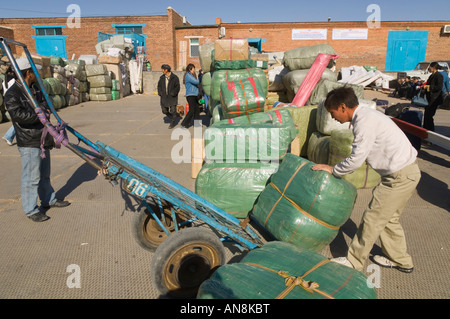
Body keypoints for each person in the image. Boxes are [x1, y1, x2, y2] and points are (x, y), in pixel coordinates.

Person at [312, 87, 421, 273]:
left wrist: (333, 169)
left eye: (333, 113)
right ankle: (400, 260)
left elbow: (356, 159)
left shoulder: (364, 122)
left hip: (399, 177)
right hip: (406, 172)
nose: (333, 118)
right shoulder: (367, 115)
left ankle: (354, 261)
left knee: (372, 218)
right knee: (388, 219)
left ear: (343, 107)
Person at [5, 57, 70, 222]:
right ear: (28, 73)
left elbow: (44, 106)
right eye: (35, 71)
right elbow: (18, 116)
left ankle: (49, 199)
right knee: (31, 177)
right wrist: (39, 114)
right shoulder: (13, 93)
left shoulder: (34, 89)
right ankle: (31, 210)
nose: (37, 74)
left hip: (42, 138)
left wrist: (46, 111)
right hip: (29, 141)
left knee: (44, 174)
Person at [157, 64, 180, 129]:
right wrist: (160, 93)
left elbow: (177, 87)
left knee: (173, 111)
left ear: (166, 70)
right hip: (164, 97)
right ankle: (172, 117)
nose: (162, 71)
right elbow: (159, 86)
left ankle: (172, 122)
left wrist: (174, 93)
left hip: (172, 97)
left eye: (163, 69)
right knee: (164, 110)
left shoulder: (175, 77)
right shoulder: (161, 78)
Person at [423, 62, 443, 131]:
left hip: (434, 99)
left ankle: (430, 131)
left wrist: (429, 87)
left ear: (433, 67)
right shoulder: (431, 75)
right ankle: (425, 130)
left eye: (430, 67)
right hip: (429, 98)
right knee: (426, 115)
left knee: (429, 116)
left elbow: (439, 87)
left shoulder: (439, 75)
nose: (429, 68)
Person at [180, 63, 201, 128]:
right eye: (193, 69)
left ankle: (197, 124)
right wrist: (201, 76)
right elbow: (196, 82)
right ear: (190, 69)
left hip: (195, 94)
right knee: (192, 110)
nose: (194, 71)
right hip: (190, 95)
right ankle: (183, 124)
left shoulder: (191, 75)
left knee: (197, 110)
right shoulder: (188, 76)